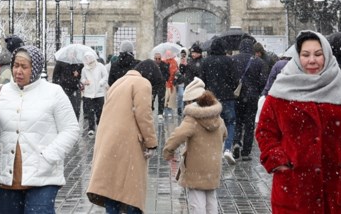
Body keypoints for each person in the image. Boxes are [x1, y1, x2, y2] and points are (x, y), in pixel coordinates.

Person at [256, 31, 341, 214]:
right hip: (293, 189)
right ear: (297, 56)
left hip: (336, 187)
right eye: (305, 55)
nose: (312, 60)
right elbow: (265, 131)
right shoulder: (281, 90)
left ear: (327, 55)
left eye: (318, 54)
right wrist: (278, 161)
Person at [0, 44, 80, 214]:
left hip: (43, 177)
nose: (18, 71)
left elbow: (71, 129)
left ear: (36, 68)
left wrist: (48, 157)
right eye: (16, 66)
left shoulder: (53, 93)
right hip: (7, 178)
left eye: (24, 67)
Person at [86, 55, 159, 214]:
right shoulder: (142, 83)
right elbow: (144, 115)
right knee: (130, 192)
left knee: (112, 190)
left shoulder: (119, 82)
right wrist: (151, 143)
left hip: (109, 141)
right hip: (128, 144)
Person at [162, 77, 226, 214]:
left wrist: (168, 151)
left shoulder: (192, 119)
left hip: (196, 167)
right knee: (211, 201)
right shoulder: (218, 117)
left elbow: (177, 137)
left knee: (197, 204)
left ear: (191, 101)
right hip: (213, 165)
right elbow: (224, 134)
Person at [200, 36, 240, 163]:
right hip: (227, 96)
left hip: (211, 97)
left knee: (212, 123)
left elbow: (202, 80)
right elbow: (235, 80)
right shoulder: (229, 61)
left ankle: (213, 150)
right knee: (230, 122)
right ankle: (227, 148)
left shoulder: (206, 62)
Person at [234, 41, 269, 161]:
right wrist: (257, 91)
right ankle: (246, 152)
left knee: (237, 121)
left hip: (237, 95)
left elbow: (230, 78)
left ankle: (236, 142)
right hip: (252, 96)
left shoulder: (234, 59)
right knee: (249, 124)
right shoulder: (258, 61)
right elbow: (263, 80)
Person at [79, 51, 108, 134]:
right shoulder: (84, 69)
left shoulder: (100, 66)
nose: (88, 60)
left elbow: (105, 77)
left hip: (99, 93)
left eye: (90, 57)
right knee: (90, 112)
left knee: (100, 111)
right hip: (89, 93)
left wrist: (100, 83)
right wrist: (85, 81)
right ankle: (91, 128)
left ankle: (100, 126)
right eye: (86, 58)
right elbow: (82, 78)